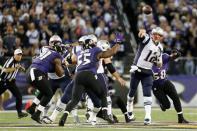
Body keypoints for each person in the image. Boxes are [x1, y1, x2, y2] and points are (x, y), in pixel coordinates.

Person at [58, 34, 120, 126]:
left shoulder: (80, 52)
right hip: (89, 75)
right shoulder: (96, 50)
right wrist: (118, 43)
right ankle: (106, 115)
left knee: (74, 100)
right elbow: (110, 53)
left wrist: (69, 52)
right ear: (92, 43)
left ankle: (63, 117)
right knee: (103, 94)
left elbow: (72, 61)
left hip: (78, 76)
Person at [127, 27, 163, 125]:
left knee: (147, 93)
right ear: (152, 34)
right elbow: (141, 35)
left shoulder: (160, 47)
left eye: (159, 35)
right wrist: (142, 32)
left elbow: (160, 64)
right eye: (155, 34)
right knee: (132, 92)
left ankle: (148, 116)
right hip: (137, 69)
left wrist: (157, 62)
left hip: (147, 72)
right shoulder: (147, 40)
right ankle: (129, 108)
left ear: (161, 37)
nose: (156, 36)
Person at [26, 35, 65, 123]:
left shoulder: (46, 50)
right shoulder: (56, 55)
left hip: (31, 71)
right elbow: (60, 73)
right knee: (49, 93)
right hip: (36, 72)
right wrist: (64, 65)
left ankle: (32, 108)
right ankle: (37, 114)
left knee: (45, 91)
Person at [152, 50, 189, 124]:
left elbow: (173, 56)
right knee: (167, 105)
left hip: (165, 82)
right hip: (156, 86)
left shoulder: (164, 56)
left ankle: (180, 118)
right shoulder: (147, 64)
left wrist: (176, 54)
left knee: (176, 97)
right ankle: (163, 105)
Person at [0, 48, 28, 118]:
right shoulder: (10, 61)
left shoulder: (17, 61)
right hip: (3, 81)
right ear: (14, 55)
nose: (19, 56)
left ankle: (19, 113)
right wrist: (15, 68)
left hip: (11, 82)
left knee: (19, 96)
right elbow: (5, 70)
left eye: (20, 55)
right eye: (18, 55)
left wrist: (21, 68)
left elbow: (17, 67)